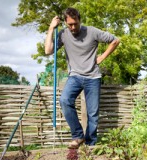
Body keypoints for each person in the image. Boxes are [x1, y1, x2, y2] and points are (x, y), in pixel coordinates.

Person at [45, 7, 120, 148]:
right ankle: (78, 136)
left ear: (80, 20)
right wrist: (51, 28)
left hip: (93, 77)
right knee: (65, 100)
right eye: (70, 24)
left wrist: (102, 56)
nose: (73, 27)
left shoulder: (92, 31)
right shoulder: (63, 34)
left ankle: (91, 144)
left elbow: (115, 40)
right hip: (75, 76)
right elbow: (48, 50)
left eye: (75, 23)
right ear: (66, 23)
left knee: (93, 113)